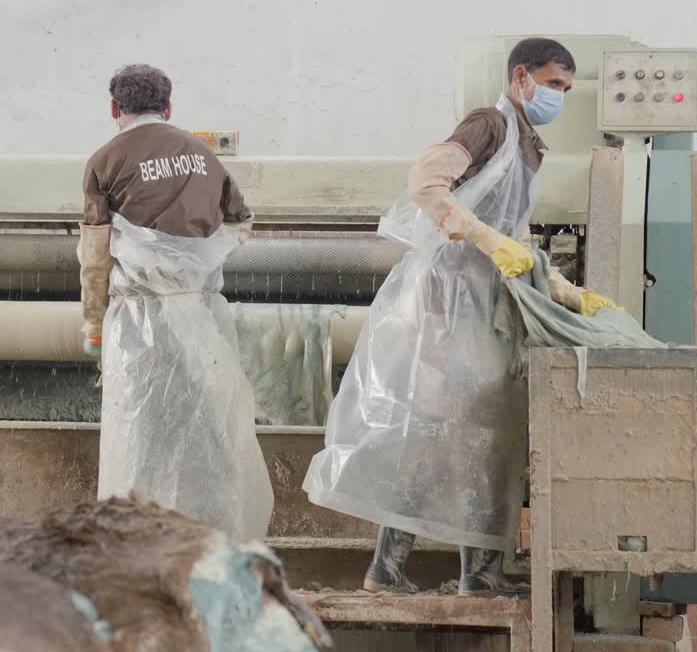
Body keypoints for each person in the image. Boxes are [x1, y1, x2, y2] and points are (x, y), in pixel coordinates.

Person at [303, 38, 617, 596]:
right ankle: (390, 568)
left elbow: (514, 232)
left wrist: (562, 288)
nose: (559, 98)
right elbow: (426, 181)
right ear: (521, 76)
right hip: (448, 300)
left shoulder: (527, 147)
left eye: (566, 90)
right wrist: (480, 236)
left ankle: (479, 573)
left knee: (486, 435)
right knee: (434, 430)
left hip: (484, 300)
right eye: (553, 85)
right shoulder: (488, 126)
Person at [77, 64, 274, 540]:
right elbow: (239, 223)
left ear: (114, 108)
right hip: (203, 317)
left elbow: (96, 256)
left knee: (141, 433)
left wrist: (93, 323)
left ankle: (139, 543)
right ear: (168, 107)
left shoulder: (104, 161)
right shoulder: (204, 156)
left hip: (137, 324)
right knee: (207, 430)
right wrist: (190, 269)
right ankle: (211, 540)